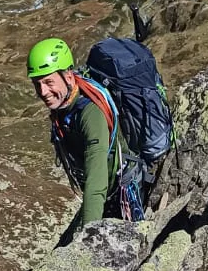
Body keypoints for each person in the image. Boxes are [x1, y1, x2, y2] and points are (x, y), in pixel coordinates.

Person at [27, 37, 139, 239]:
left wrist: (87, 240)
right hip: (105, 191)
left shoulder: (91, 114)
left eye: (49, 82)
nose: (43, 92)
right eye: (37, 84)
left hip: (120, 193)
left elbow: (96, 180)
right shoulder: (66, 105)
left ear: (69, 76)